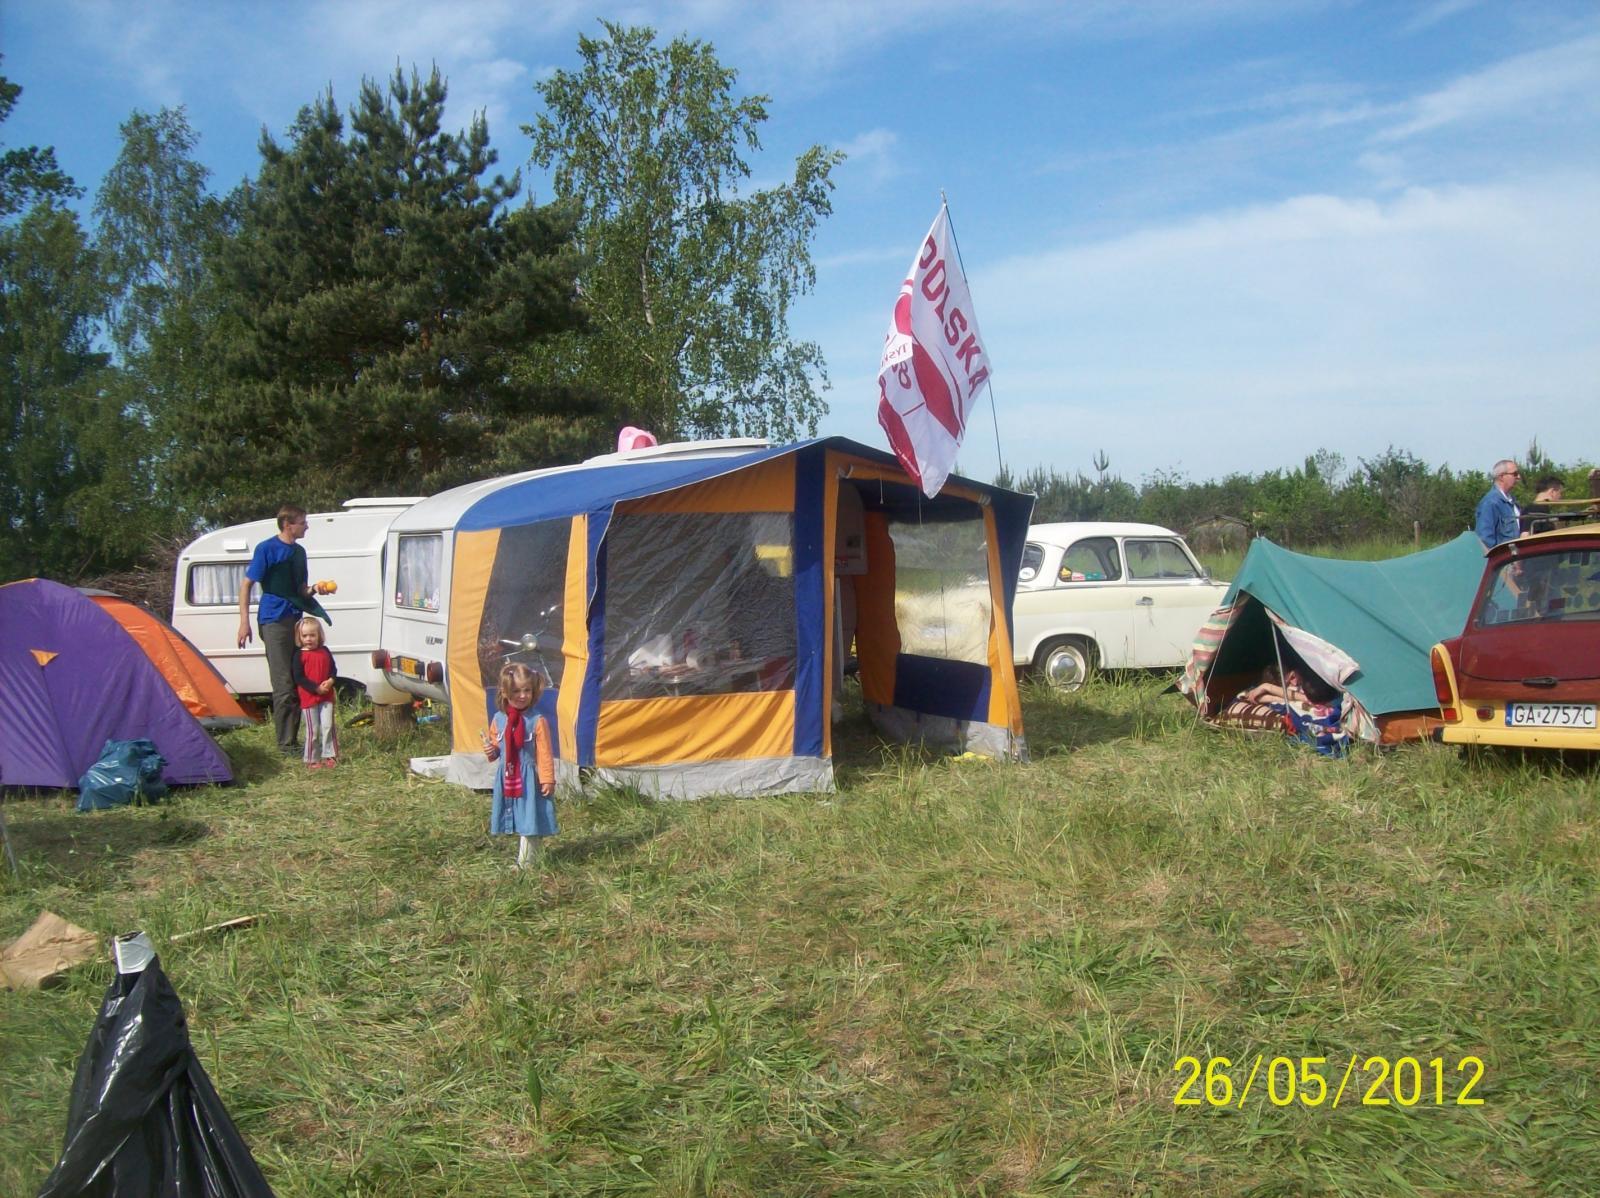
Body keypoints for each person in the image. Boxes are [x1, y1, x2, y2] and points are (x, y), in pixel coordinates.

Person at [237, 503, 332, 756]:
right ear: (288, 525)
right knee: (284, 684)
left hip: (295, 620)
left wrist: (316, 589)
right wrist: (244, 622)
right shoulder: (266, 548)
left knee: (299, 677)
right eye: (303, 522)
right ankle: (286, 745)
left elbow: (300, 590)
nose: (307, 526)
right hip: (273, 620)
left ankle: (297, 740)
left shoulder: (299, 553)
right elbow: (246, 585)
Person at [483, 661, 557, 869]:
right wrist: (490, 750)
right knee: (520, 815)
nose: (522, 696)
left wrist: (547, 778)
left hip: (529, 778)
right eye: (516, 691)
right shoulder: (499, 719)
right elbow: (496, 749)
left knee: (529, 817)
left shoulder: (537, 721)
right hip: (508, 777)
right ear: (505, 692)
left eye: (527, 690)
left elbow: (545, 754)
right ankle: (533, 856)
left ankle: (525, 863)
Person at [291, 617, 339, 769]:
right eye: (304, 636)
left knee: (328, 726)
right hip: (309, 697)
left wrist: (330, 681)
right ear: (299, 637)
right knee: (313, 730)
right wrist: (315, 688)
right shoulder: (299, 655)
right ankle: (312, 758)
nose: (308, 639)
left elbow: (333, 669)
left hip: (326, 696)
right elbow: (298, 677)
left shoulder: (325, 651)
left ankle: (330, 755)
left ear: (319, 635)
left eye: (312, 635)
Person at [1474, 460, 1522, 549]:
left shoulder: (1513, 502)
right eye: (1515, 474)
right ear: (1501, 476)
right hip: (1504, 556)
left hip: (1518, 555)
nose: (1518, 477)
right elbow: (1484, 540)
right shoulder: (1490, 502)